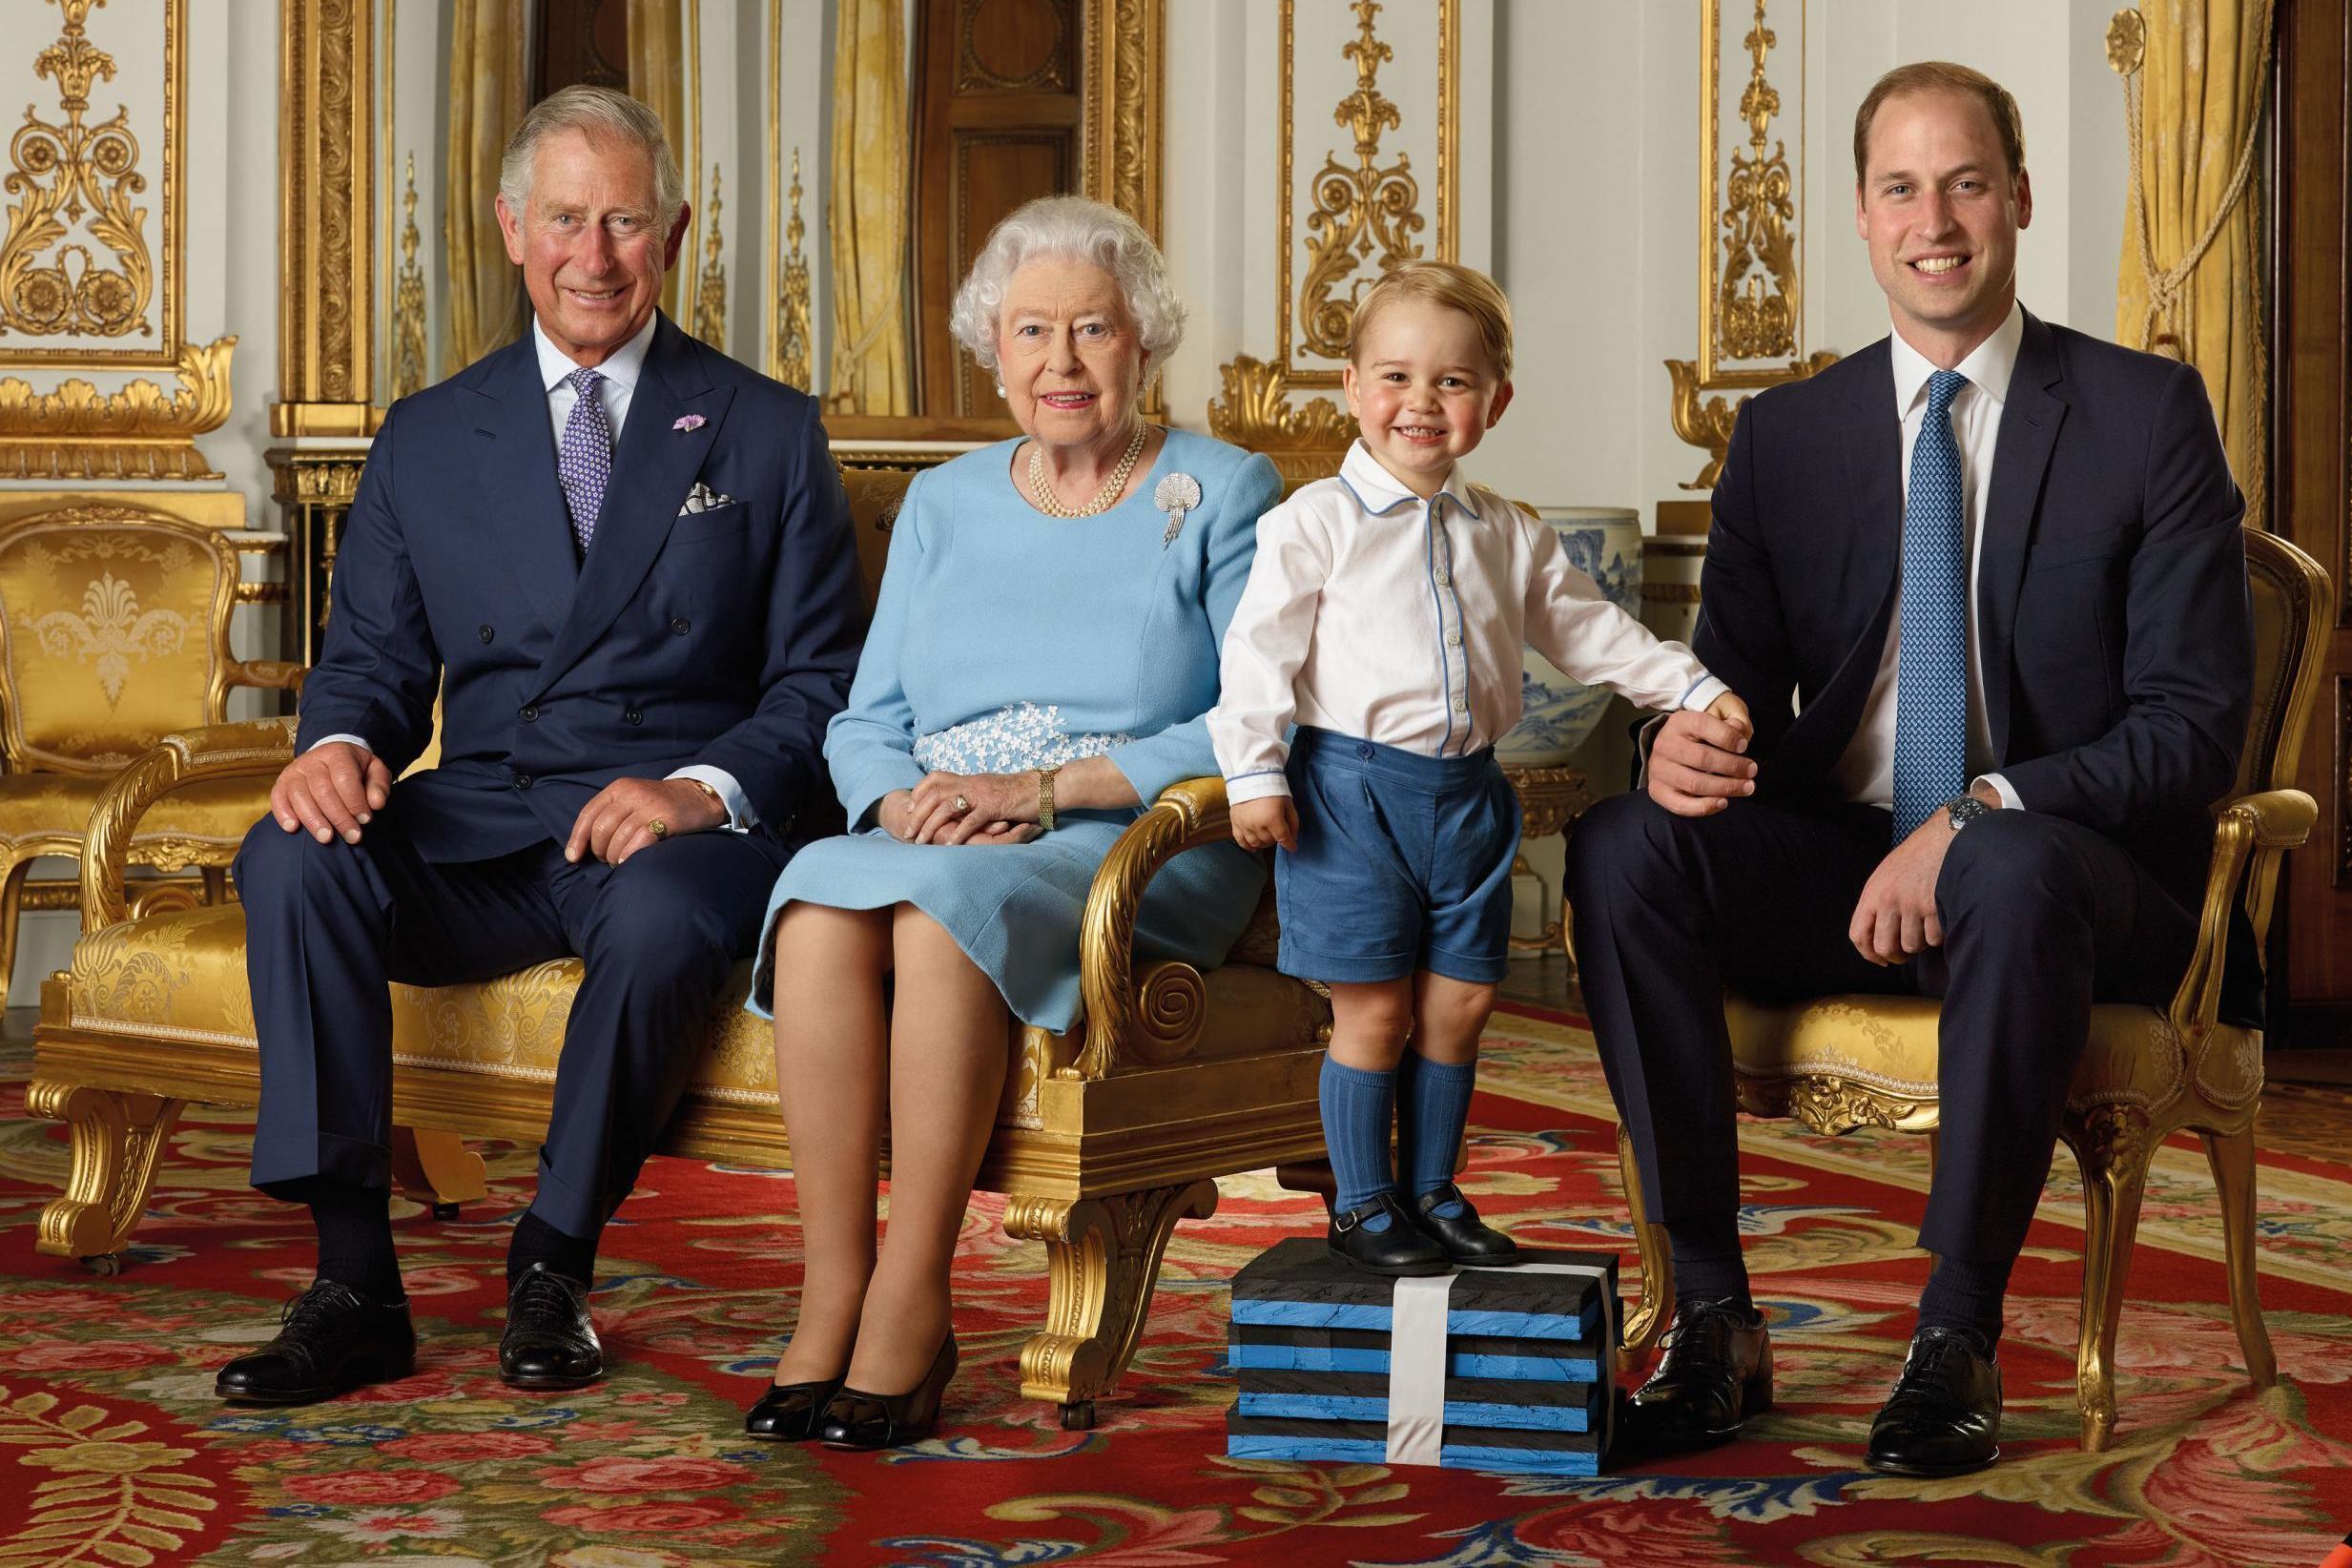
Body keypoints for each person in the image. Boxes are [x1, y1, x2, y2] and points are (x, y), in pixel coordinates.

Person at [1567, 62, 2251, 1476]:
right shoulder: (1787, 436)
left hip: (2074, 874)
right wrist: (1674, 743)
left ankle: (1954, 1335)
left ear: (2016, 197)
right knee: (1626, 842)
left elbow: (2189, 725)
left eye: (1962, 182)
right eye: (1898, 188)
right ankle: (1710, 1318)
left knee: (1998, 858)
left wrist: (1981, 806)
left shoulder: (2142, 416)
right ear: (1861, 221)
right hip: (1845, 859)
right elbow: (1732, 693)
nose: (1931, 218)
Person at [217, 86, 864, 1406]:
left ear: (673, 234)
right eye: (566, 218)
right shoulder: (427, 435)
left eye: (624, 220)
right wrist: (337, 745)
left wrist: (699, 790)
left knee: (670, 915)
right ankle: (355, 1283)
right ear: (512, 227)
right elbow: (374, 669)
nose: (595, 253)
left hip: (673, 825)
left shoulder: (768, 428)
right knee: (294, 855)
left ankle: (552, 1263)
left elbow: (823, 684)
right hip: (495, 814)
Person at [741, 196, 1282, 1451]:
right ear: (994, 348)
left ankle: (914, 1298)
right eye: (1030, 330)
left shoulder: (1219, 490)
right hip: (938, 830)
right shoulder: (943, 502)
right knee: (820, 900)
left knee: (940, 925)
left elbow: (1255, 719)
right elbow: (862, 717)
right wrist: (898, 799)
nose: (1060, 361)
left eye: (1092, 328)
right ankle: (834, 1288)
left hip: (1129, 844)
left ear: (1142, 341)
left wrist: (1044, 792)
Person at [1208, 261, 1748, 1278]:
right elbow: (1256, 656)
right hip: (1350, 794)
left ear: (1495, 402)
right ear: (1353, 391)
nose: (1422, 403)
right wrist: (1253, 774)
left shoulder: (1506, 531)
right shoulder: (1311, 523)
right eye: (1396, 378)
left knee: (1457, 1004)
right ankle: (1363, 1204)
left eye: (1453, 382)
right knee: (1373, 1008)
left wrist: (1689, 687)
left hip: (1468, 799)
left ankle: (1433, 1189)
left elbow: (1592, 635)